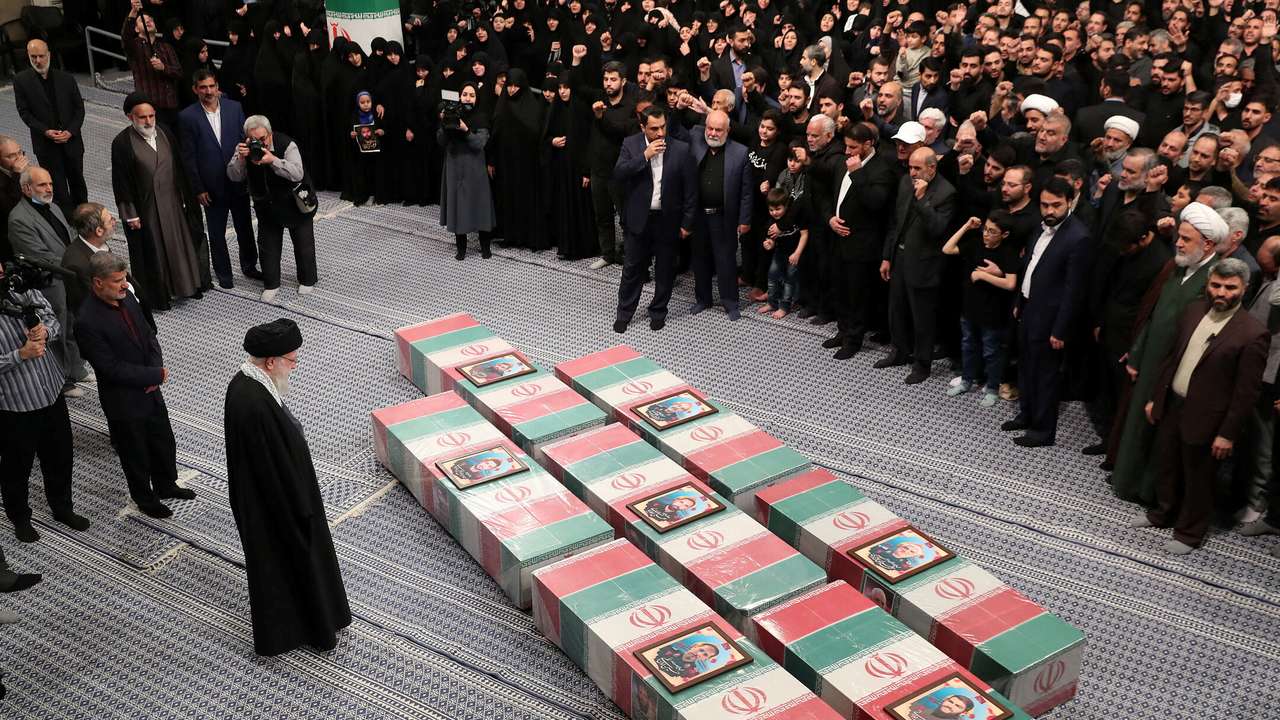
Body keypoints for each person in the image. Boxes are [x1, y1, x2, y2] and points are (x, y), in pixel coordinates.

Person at [224, 318, 352, 655]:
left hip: (281, 498)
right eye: (291, 361)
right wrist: (299, 508)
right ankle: (307, 630)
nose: (294, 368)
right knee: (292, 564)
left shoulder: (252, 386)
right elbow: (269, 469)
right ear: (270, 362)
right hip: (277, 507)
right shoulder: (252, 402)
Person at [1133, 259, 1268, 554]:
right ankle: (1162, 513)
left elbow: (1246, 393)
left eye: (1229, 287)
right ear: (1208, 284)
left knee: (1199, 480)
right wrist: (1157, 398)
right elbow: (1172, 358)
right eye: (1216, 285)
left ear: (1243, 289)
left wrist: (1228, 433)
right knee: (1166, 464)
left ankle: (1189, 534)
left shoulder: (1252, 333)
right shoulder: (1194, 310)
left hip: (1210, 419)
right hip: (1173, 405)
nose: (1221, 292)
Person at [1110, 203, 1224, 505]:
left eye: (1186, 239)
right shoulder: (1178, 267)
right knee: (1136, 423)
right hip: (1149, 362)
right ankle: (1127, 481)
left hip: (1175, 369)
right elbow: (1154, 316)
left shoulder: (1215, 280)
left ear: (1208, 245)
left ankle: (1149, 492)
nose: (1178, 243)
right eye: (1180, 236)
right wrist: (1136, 356)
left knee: (1158, 431)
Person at [75, 253, 194, 519]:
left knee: (162, 441)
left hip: (151, 389)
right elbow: (110, 368)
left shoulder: (126, 297)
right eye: (117, 280)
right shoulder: (86, 321)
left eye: (124, 278)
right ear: (97, 283)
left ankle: (166, 485)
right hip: (124, 401)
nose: (124, 285)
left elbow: (148, 334)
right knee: (135, 452)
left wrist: (155, 371)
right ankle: (145, 498)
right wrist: (152, 377)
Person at [0, 263, 89, 542]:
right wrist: (20, 355)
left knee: (60, 455)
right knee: (17, 467)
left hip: (51, 392)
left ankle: (62, 507)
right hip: (15, 404)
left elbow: (52, 316)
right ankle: (20, 517)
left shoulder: (20, 289)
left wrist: (45, 331)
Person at [1001, 179, 1092, 447]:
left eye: (1056, 205)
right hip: (1029, 308)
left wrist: (1060, 329)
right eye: (1044, 205)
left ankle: (1043, 430)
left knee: (1046, 376)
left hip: (1051, 319)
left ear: (1070, 202)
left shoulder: (1079, 237)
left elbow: (1074, 291)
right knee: (1026, 367)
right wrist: (1020, 299)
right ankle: (1026, 415)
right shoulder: (1040, 228)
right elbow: (1030, 264)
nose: (1049, 211)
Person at [110, 92, 211, 311]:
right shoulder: (121, 143)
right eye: (142, 117)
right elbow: (121, 182)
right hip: (147, 209)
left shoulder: (165, 133)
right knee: (154, 252)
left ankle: (188, 286)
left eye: (151, 116)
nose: (148, 121)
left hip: (174, 204)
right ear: (130, 117)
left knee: (180, 247)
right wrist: (130, 214)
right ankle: (161, 294)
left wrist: (188, 198)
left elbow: (180, 168)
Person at [612, 106, 696, 333]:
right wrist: (644, 157)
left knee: (665, 270)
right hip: (639, 219)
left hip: (667, 220)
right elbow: (619, 173)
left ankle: (658, 311)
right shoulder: (631, 145)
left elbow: (690, 190)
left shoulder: (681, 149)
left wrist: (687, 223)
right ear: (642, 127)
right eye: (654, 129)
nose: (660, 133)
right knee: (632, 269)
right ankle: (625, 312)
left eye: (663, 127)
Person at [8, 165, 89, 397]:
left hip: (68, 276)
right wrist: (74, 263)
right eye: (42, 185)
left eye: (50, 184)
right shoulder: (18, 219)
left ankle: (75, 367)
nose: (49, 188)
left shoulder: (52, 206)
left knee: (73, 323)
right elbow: (38, 255)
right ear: (26, 188)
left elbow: (69, 238)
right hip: (49, 281)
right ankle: (62, 379)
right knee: (57, 329)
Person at [878, 147, 957, 384]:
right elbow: (896, 222)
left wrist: (923, 200)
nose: (912, 172)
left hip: (925, 264)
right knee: (896, 309)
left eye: (917, 168)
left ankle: (923, 364)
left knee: (922, 317)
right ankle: (899, 351)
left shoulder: (947, 192)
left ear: (932, 168)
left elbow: (937, 229)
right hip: (900, 257)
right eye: (910, 167)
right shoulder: (905, 182)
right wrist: (887, 256)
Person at [177, 71, 261, 289]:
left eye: (211, 86)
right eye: (203, 87)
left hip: (237, 181)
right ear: (195, 89)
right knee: (216, 232)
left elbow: (245, 139)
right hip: (210, 187)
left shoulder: (235, 108)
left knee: (245, 227)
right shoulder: (187, 117)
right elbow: (188, 157)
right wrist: (198, 188)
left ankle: (250, 265)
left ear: (217, 87)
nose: (208, 91)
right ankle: (224, 274)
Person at [823, 123, 897, 359]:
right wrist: (830, 219)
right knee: (839, 289)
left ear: (868, 144)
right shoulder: (842, 163)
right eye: (846, 146)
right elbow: (829, 195)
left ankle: (854, 339)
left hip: (863, 245)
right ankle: (842, 331)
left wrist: (857, 174)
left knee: (858, 295)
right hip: (838, 239)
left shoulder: (881, 169)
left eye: (853, 147)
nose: (847, 152)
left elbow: (876, 203)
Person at [227, 115, 319, 302]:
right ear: (247, 138)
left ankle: (307, 279)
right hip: (266, 205)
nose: (260, 144)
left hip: (295, 203)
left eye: (263, 139)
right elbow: (233, 176)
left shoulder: (287, 144)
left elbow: (297, 173)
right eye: (255, 141)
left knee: (304, 245)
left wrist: (273, 160)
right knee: (268, 247)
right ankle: (271, 283)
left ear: (270, 133)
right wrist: (241, 159)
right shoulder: (243, 149)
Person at [942, 211, 1020, 407]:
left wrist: (984, 276)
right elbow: (947, 248)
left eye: (992, 231)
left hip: (993, 313)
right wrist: (967, 227)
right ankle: (967, 380)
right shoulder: (975, 245)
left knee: (991, 351)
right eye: (985, 229)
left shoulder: (1008, 252)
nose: (986, 234)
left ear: (1004, 234)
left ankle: (993, 387)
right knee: (968, 346)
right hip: (970, 307)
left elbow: (1011, 283)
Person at [689, 110, 753, 321]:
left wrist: (744, 220)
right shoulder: (696, 141)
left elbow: (746, 192)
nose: (713, 133)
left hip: (723, 217)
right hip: (698, 216)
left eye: (718, 129)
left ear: (728, 131)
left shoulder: (741, 152)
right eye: (710, 128)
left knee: (726, 262)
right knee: (700, 260)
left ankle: (730, 303)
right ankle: (703, 299)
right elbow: (674, 131)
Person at [12, 40, 87, 214]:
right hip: (46, 145)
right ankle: (67, 223)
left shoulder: (66, 79)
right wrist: (45, 131)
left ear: (49, 55)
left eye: (41, 56)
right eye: (33, 57)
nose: (38, 60)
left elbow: (79, 109)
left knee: (78, 183)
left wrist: (70, 131)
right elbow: (25, 113)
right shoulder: (21, 81)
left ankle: (85, 217)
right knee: (56, 187)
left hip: (72, 142)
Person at [489, 68, 549, 250]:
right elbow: (495, 134)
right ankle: (510, 235)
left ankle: (526, 236)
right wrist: (491, 160)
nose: (512, 89)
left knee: (525, 199)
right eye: (509, 86)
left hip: (526, 163)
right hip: (505, 162)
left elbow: (535, 132)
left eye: (516, 86)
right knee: (507, 198)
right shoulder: (502, 104)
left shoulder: (531, 105)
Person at [437, 83, 496, 260]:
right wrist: (445, 123)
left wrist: (466, 130)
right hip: (454, 166)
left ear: (477, 98)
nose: (468, 98)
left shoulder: (481, 117)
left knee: (480, 205)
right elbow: (440, 141)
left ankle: (485, 247)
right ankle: (461, 249)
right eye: (464, 94)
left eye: (472, 95)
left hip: (474, 167)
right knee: (458, 206)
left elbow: (479, 144)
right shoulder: (451, 115)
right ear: (459, 97)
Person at [758, 189, 807, 318]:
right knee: (772, 276)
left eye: (778, 209)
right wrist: (769, 244)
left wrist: (797, 253)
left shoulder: (794, 218)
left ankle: (784, 306)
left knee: (789, 280)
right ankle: (772, 302)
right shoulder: (771, 221)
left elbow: (804, 234)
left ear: (786, 206)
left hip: (794, 253)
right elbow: (772, 239)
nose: (774, 213)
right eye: (771, 210)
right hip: (779, 252)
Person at [0, 136, 29, 262]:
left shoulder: (17, 170)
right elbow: (12, 208)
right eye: (11, 156)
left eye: (19, 152)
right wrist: (17, 175)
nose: (19, 159)